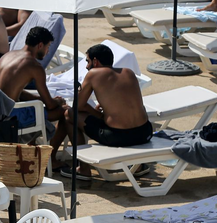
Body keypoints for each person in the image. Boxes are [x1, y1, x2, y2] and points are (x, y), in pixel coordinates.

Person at [55, 44, 152, 180]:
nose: (87, 66)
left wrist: (93, 112)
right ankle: (139, 166)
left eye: (88, 61)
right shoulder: (128, 72)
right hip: (145, 132)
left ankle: (83, 168)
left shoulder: (93, 74)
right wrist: (102, 112)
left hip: (119, 136)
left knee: (69, 114)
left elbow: (78, 107)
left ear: (95, 61)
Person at [0, 26, 67, 169]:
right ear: (40, 45)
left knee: (37, 109)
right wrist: (58, 101)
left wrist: (39, 100)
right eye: (48, 47)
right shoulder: (34, 66)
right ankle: (51, 159)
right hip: (10, 117)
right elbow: (50, 105)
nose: (48, 51)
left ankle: (32, 150)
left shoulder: (8, 55)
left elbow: (12, 91)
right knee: (64, 112)